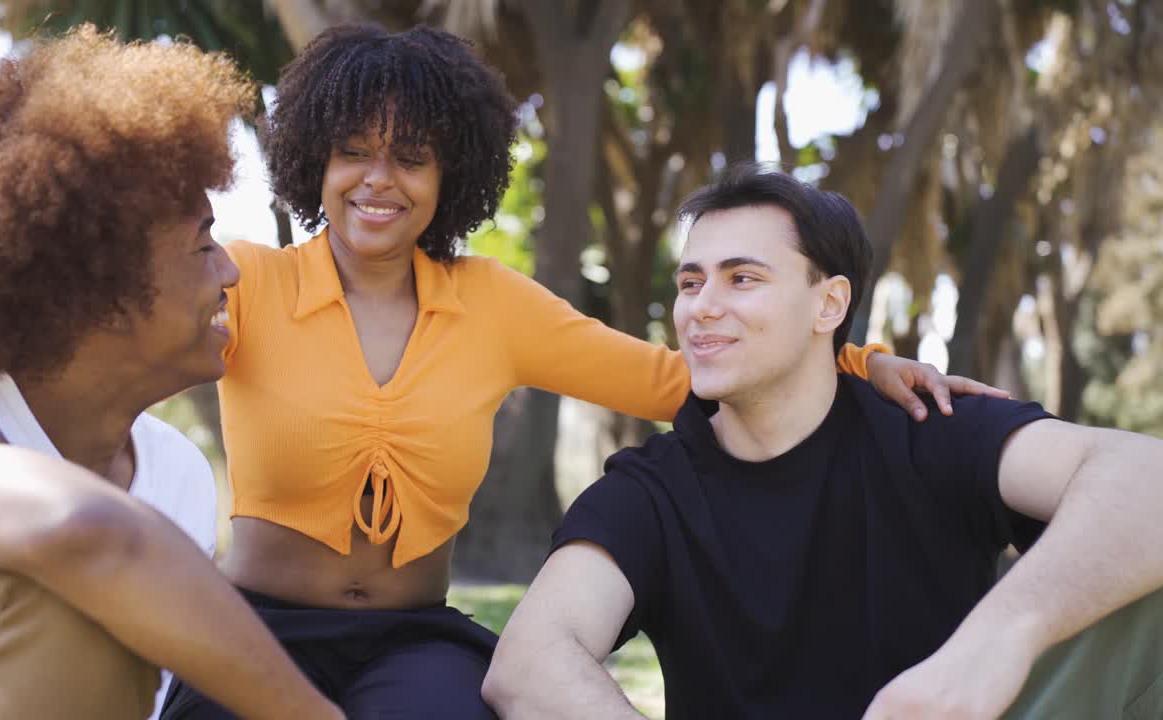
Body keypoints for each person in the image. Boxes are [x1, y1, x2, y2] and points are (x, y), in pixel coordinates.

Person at [158, 24, 1008, 719]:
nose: (379, 180)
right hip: (255, 628)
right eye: (353, 152)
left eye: (410, 157)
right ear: (314, 159)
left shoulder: (492, 303)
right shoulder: (245, 280)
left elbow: (676, 378)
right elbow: (115, 355)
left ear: (449, 173)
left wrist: (859, 358)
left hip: (409, 642)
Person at [482, 164, 1163, 719]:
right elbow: (531, 661)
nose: (700, 308)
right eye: (691, 283)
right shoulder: (651, 489)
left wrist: (999, 642)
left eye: (742, 278)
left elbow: (1145, 479)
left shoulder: (929, 428)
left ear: (829, 304)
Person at [0, 27, 342, 720]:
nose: (232, 270)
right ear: (95, 289)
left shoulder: (177, 473)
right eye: (201, 245)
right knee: (79, 604)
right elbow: (88, 532)